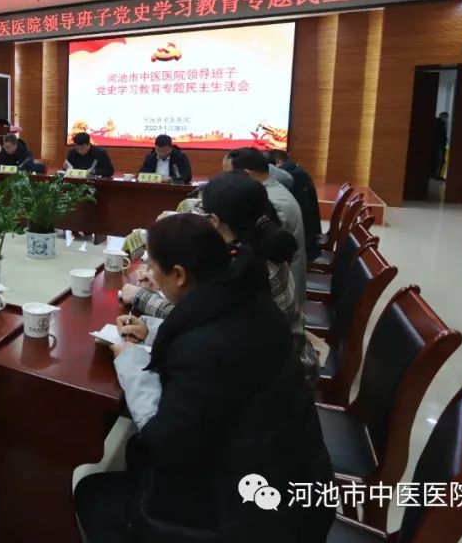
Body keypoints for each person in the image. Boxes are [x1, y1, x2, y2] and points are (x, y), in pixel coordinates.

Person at [75, 214, 333, 542]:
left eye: (153, 268)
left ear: (179, 275)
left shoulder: (206, 346)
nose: (150, 277)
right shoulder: (252, 300)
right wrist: (152, 332)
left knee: (93, 494)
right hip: (294, 483)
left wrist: (130, 361)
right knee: (132, 459)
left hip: (253, 521)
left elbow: (164, 443)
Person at [201, 173, 320, 384]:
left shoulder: (248, 266)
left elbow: (199, 317)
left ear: (214, 220)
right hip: (289, 356)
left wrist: (143, 295)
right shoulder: (264, 242)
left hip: (281, 379)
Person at [225, 148, 307, 315]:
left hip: (279, 298)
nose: (224, 181)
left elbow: (250, 254)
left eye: (228, 176)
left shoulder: (271, 203)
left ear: (247, 175)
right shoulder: (271, 188)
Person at [267, 150, 322, 261]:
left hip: (304, 246)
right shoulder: (297, 171)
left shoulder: (288, 179)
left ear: (277, 162)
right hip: (311, 235)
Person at [433, 111, 449, 180]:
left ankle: (437, 175)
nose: (446, 119)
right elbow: (439, 135)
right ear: (442, 116)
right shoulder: (438, 124)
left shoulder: (442, 124)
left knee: (440, 161)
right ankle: (436, 175)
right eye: (446, 117)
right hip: (438, 145)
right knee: (438, 161)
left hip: (441, 145)